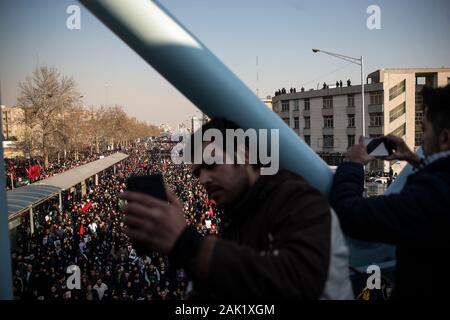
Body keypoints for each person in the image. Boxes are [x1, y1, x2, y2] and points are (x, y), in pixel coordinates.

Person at [121, 118, 353, 299]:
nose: (203, 179)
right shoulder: (236, 219)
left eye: (211, 164)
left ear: (245, 154)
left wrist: (188, 244)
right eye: (198, 172)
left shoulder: (299, 201)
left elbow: (297, 282)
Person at [330, 85, 450, 299]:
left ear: (445, 138)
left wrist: (352, 164)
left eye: (425, 130)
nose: (423, 139)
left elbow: (350, 213)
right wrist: (414, 160)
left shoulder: (430, 199)